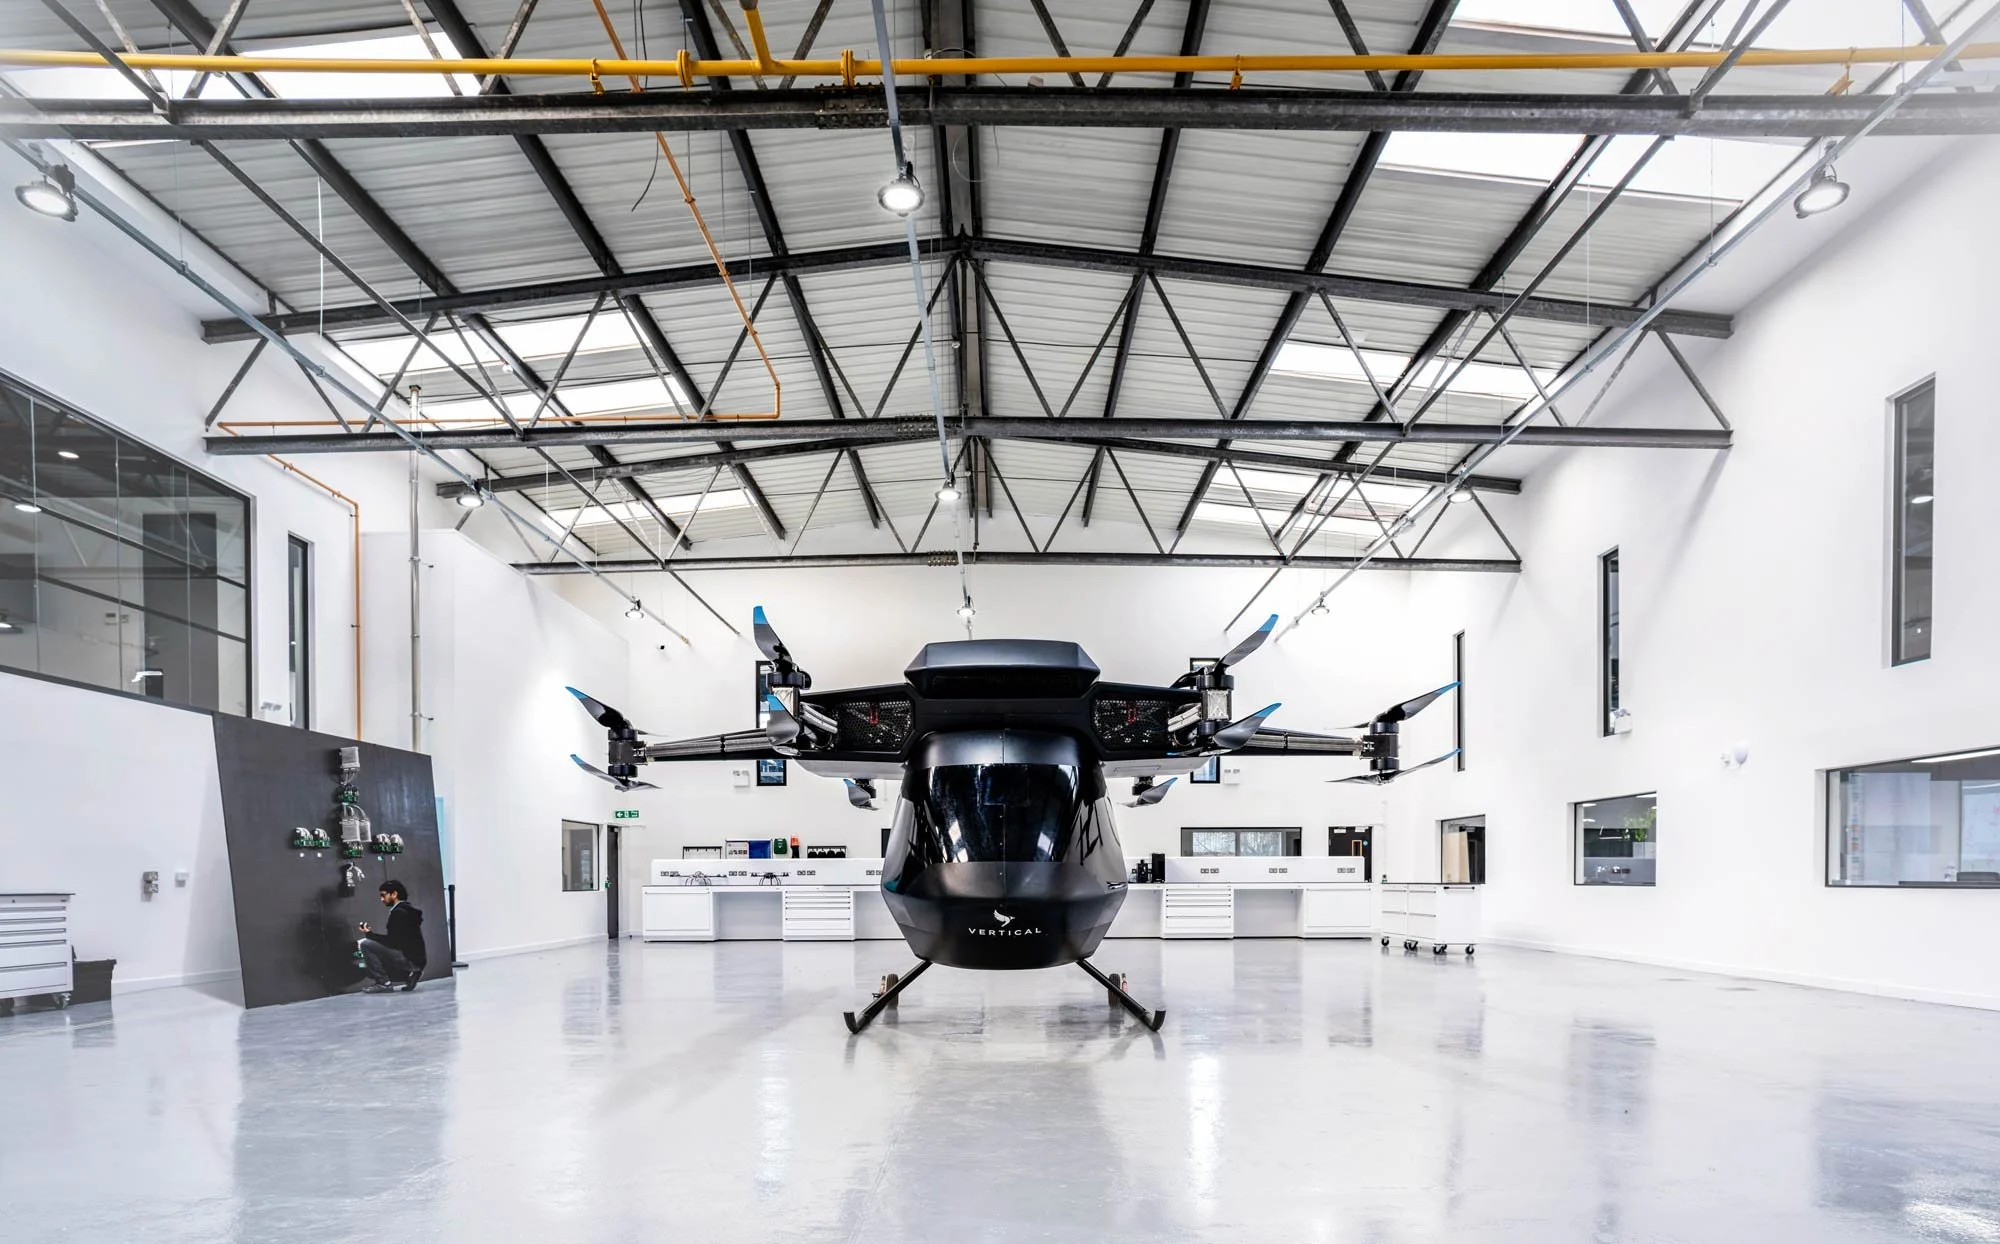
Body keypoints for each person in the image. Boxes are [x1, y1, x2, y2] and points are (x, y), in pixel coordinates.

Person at [357, 880, 427, 992]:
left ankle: (383, 983)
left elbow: (393, 942)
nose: (381, 899)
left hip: (409, 959)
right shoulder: (407, 910)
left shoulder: (399, 913)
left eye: (383, 895)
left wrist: (369, 935)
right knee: (376, 947)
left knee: (365, 944)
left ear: (394, 894)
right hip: (417, 960)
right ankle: (411, 974)